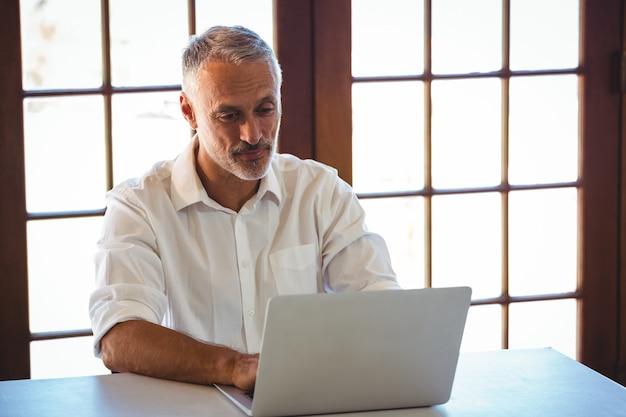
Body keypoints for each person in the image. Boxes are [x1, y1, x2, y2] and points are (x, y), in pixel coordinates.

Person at [89, 25, 401, 392]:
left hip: (301, 403)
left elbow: (380, 305)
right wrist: (233, 366)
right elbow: (120, 338)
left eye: (265, 109)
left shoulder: (321, 192)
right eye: (229, 116)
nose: (253, 134)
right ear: (189, 112)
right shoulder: (138, 206)